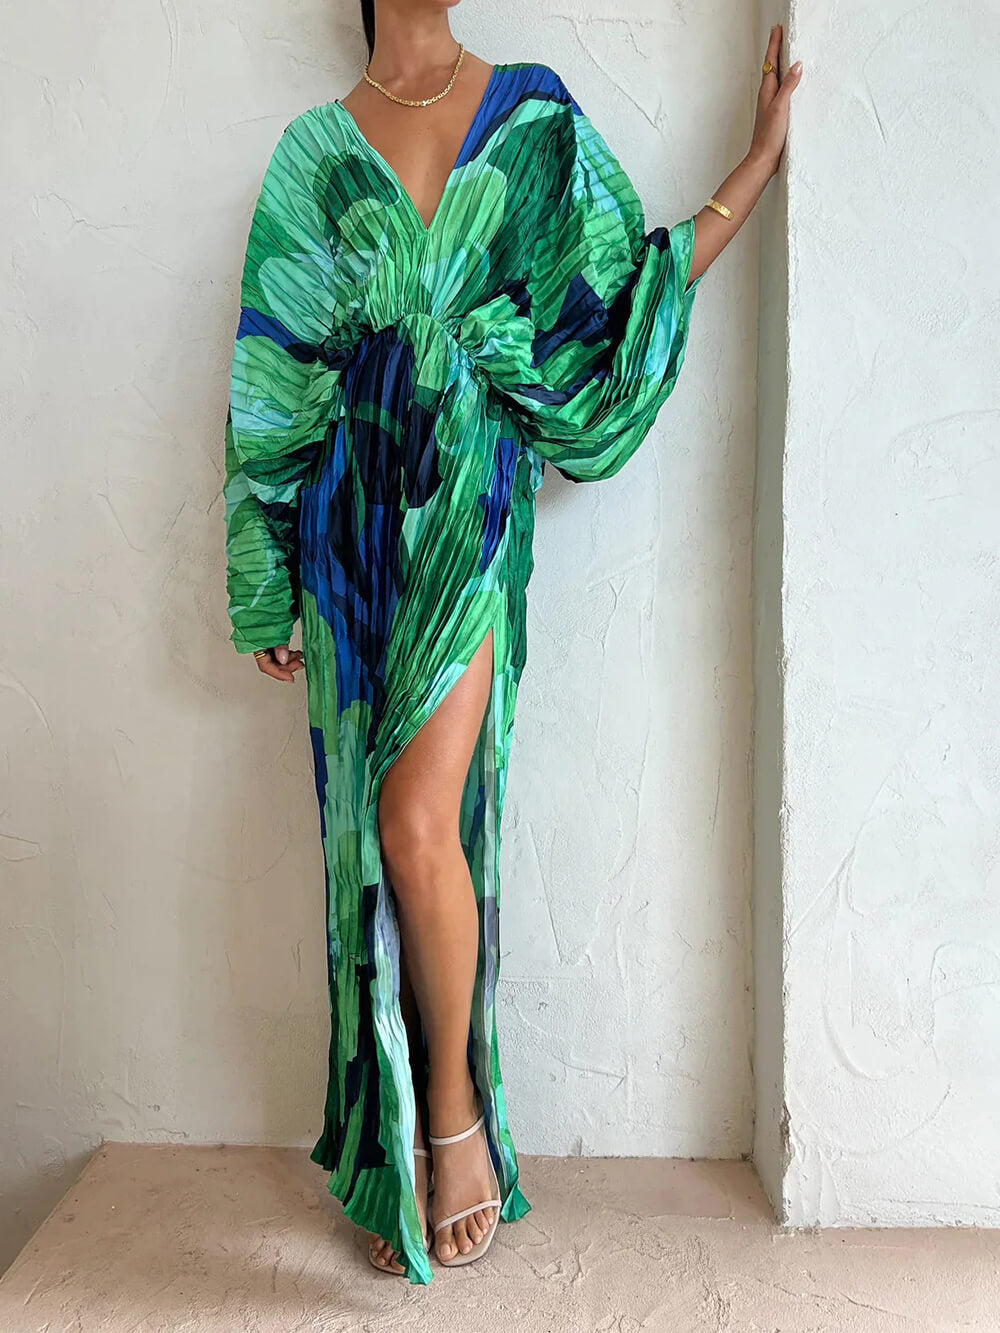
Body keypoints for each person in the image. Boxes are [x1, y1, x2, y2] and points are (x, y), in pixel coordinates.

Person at [223, 0, 801, 1284]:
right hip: (348, 537)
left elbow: (616, 300)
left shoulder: (530, 114)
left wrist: (753, 166)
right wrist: (266, 580)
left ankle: (453, 1121)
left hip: (468, 526)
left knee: (417, 822)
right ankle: (395, 1142)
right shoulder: (314, 154)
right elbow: (274, 373)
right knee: (368, 841)